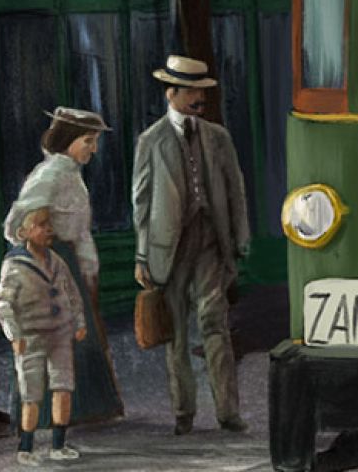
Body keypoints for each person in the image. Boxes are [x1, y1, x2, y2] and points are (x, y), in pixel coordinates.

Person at [132, 55, 250, 435]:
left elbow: (235, 191)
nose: (200, 98)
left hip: (211, 242)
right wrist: (141, 253)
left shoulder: (218, 137)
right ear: (172, 93)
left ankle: (228, 412)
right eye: (192, 91)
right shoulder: (151, 140)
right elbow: (142, 201)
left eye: (203, 90)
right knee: (177, 333)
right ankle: (184, 412)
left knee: (215, 323)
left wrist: (240, 239)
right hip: (170, 246)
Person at [2, 107, 124, 429]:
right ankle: (45, 416)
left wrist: (88, 267)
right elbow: (16, 222)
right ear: (68, 140)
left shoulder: (71, 175)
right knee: (53, 338)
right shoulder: (49, 175)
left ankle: (84, 410)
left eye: (94, 141)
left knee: (77, 339)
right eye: (88, 141)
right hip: (52, 266)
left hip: (70, 263)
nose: (93, 149)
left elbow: (81, 230)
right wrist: (38, 251)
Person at [0, 205, 87, 466]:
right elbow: (2, 303)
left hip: (60, 334)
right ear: (24, 232)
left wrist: (78, 321)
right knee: (32, 393)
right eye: (42, 225)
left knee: (63, 387)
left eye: (51, 225)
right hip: (31, 337)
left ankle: (58, 444)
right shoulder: (14, 265)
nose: (49, 230)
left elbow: (72, 293)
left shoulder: (57, 261)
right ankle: (26, 447)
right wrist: (14, 334)